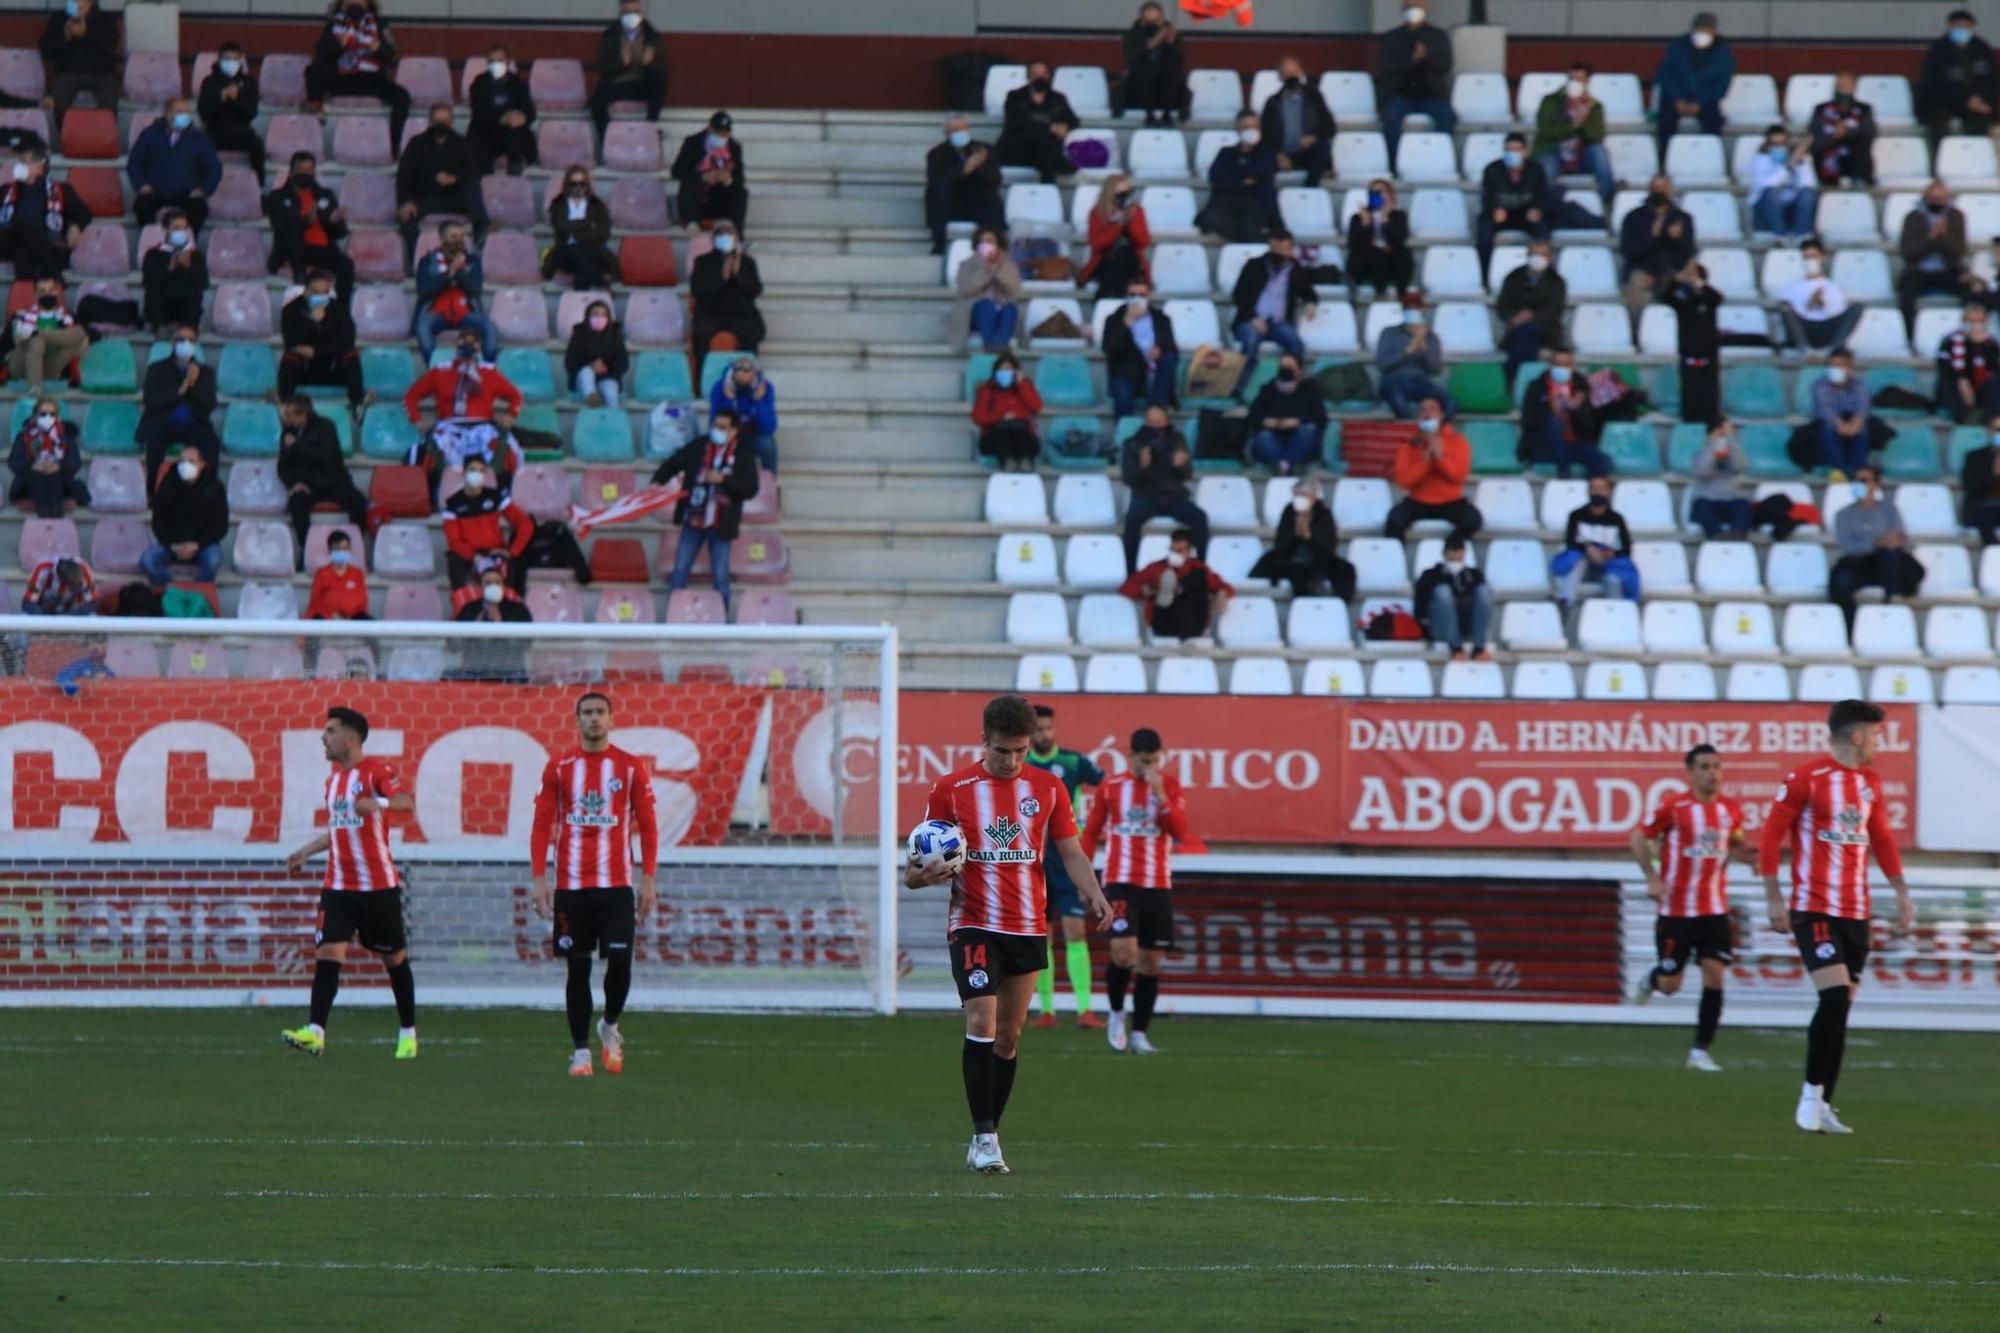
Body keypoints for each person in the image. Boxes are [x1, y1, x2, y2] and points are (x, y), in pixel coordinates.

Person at [907, 694, 1110, 1175]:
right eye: (1003, 751)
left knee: (1009, 1037)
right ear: (984, 741)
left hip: (1026, 925)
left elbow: (1071, 851)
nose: (1012, 760)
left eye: (1020, 751)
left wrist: (1094, 894)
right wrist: (923, 876)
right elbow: (912, 871)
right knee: (982, 1023)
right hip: (974, 922)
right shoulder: (951, 789)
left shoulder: (1050, 788)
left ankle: (988, 1131)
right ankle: (984, 1137)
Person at [1759, 699, 1914, 1135]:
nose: (1879, 743)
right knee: (1831, 998)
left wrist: (1902, 891)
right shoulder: (1808, 778)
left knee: (1840, 1007)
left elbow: (1881, 837)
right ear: (1858, 735)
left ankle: (1823, 1103)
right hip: (1814, 909)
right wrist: (1775, 899)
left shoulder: (1869, 783)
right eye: (1877, 735)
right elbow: (1771, 835)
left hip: (1856, 913)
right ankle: (1810, 1095)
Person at [530, 692, 659, 1078]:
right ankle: (581, 1052)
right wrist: (540, 878)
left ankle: (610, 1023)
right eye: (587, 713)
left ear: (611, 719)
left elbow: (649, 826)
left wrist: (648, 878)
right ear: (577, 720)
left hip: (617, 884)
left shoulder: (630, 767)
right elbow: (541, 826)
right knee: (577, 968)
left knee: (620, 962)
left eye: (600, 712)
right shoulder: (559, 766)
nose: (594, 719)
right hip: (571, 885)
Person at [280, 708, 418, 1060]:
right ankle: (316, 1032)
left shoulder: (376, 771)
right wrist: (304, 852)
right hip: (338, 885)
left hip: (377, 886)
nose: (322, 738)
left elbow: (406, 803)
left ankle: (407, 1032)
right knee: (328, 953)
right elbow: (339, 830)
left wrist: (379, 803)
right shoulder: (332, 783)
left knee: (394, 959)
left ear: (350, 738)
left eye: (330, 731)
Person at [1630, 745, 1754, 1073]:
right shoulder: (1675, 807)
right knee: (1671, 984)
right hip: (1676, 911)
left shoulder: (1730, 809)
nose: (1712, 772)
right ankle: (1653, 980)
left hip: (1714, 910)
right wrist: (1652, 877)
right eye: (1704, 766)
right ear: (1691, 772)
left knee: (1715, 976)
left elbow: (1736, 840)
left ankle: (1700, 1051)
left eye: (1716, 766)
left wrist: (1751, 857)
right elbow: (1640, 838)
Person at [1084, 727, 1187, 1057]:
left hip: (1157, 883)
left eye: (1155, 760)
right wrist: (1085, 879)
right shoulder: (1111, 787)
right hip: (1121, 879)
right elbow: (1091, 833)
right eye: (1144, 761)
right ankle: (1116, 1014)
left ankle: (1140, 1033)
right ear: (1131, 756)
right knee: (1123, 954)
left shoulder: (1168, 786)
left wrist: (1161, 797)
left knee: (1150, 963)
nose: (1149, 767)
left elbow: (1180, 831)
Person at [1025, 706, 1106, 1031]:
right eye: (1038, 730)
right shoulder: (1023, 765)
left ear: (1053, 729)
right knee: (1041, 935)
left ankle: (1084, 1009)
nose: (1043, 735)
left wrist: (1087, 825)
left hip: (1066, 855)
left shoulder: (1073, 762)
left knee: (1075, 929)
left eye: (1047, 728)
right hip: (1033, 859)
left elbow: (1108, 787)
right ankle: (1047, 1010)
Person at [659, 409, 760, 612]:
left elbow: (751, 488)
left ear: (734, 431)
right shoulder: (700, 445)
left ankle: (721, 620)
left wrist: (724, 480)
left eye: (723, 428)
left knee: (721, 575)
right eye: (715, 426)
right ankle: (672, 616)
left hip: (721, 523)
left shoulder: (743, 454)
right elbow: (675, 461)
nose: (717, 431)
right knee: (680, 570)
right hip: (693, 519)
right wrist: (657, 481)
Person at [405, 332, 525, 493]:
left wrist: (511, 416)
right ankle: (434, 491)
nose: (468, 346)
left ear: (479, 347)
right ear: (456, 345)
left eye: (473, 342)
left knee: (511, 447)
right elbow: (411, 396)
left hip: (483, 425)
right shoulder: (440, 371)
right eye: (463, 341)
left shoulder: (489, 372)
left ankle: (504, 492)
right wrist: (418, 420)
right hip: (449, 425)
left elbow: (516, 396)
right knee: (422, 450)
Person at [1828, 465, 1923, 628]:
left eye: (1864, 480)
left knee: (1890, 554)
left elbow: (1899, 538)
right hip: (1858, 564)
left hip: (1887, 561)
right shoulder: (1842, 514)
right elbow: (1847, 547)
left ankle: (1892, 603)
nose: (1859, 484)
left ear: (1876, 484)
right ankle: (1852, 628)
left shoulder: (1889, 510)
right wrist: (1876, 542)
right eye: (1856, 480)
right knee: (1841, 583)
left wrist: (1889, 542)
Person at [306, 0, 411, 148]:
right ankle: (316, 111)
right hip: (342, 78)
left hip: (371, 79)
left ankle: (393, 145)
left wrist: (378, 47)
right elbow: (321, 52)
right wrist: (339, 44)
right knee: (313, 71)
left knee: (402, 97)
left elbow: (390, 53)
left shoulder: (380, 24)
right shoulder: (333, 24)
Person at [396, 104, 488, 266]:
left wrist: (454, 178)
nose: (442, 124)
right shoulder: (416, 144)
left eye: (446, 121)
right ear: (430, 122)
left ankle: (481, 230)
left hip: (455, 199)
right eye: (438, 121)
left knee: (473, 187)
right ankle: (417, 262)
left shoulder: (462, 144)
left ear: (451, 122)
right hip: (426, 199)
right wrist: (405, 202)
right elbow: (403, 176)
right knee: (407, 215)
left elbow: (474, 172)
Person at [1120, 406, 1206, 573]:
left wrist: (1179, 466)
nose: (1156, 427)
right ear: (1145, 422)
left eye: (1159, 422)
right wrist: (1143, 467)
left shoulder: (1177, 440)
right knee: (1131, 521)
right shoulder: (1133, 444)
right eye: (1152, 422)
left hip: (1174, 497)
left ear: (1166, 421)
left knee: (1200, 518)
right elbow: (1129, 479)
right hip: (1145, 497)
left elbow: (1187, 475)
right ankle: (1131, 571)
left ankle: (1199, 567)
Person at [279, 394, 367, 557]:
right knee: (296, 502)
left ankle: (355, 547)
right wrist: (293, 483)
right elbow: (283, 466)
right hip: (308, 485)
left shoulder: (325, 427)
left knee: (359, 502)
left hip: (334, 482)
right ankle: (307, 550)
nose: (285, 418)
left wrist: (297, 445)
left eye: (289, 415)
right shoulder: (287, 433)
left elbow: (327, 457)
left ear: (302, 415)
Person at [1229, 228, 1313, 398]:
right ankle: (1238, 389)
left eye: (1286, 248)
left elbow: (1307, 290)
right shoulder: (1254, 266)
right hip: (1251, 320)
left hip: (1278, 322)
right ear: (1271, 247)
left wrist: (1312, 302)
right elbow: (1239, 294)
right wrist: (1252, 317)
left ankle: (1291, 385)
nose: (1283, 252)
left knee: (1296, 345)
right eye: (1279, 248)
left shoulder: (1295, 269)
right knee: (1250, 343)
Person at [264, 152, 354, 306]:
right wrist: (306, 221)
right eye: (301, 169)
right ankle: (299, 276)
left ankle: (342, 310)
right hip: (293, 249)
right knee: (292, 228)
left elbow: (340, 234)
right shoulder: (277, 197)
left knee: (346, 266)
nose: (306, 174)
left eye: (310, 170)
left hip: (322, 248)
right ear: (291, 172)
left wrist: (335, 221)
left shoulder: (325, 195)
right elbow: (280, 227)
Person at [1384, 397, 1479, 541]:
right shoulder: (1408, 446)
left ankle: (1450, 550)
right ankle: (1398, 560)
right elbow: (1404, 481)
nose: (1427, 413)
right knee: (1394, 521)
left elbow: (1459, 475)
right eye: (1423, 410)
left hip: (1451, 501)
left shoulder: (1458, 441)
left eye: (1432, 409)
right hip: (1418, 501)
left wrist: (1440, 459)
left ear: (1441, 415)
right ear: (1417, 417)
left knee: (1473, 520)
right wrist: (1426, 461)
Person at [138, 327, 220, 491]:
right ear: (172, 343)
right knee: (154, 438)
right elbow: (151, 401)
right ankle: (153, 492)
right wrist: (181, 389)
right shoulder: (157, 369)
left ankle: (209, 489)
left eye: (190, 340)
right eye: (181, 340)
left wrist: (193, 385)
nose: (185, 344)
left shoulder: (205, 372)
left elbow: (209, 405)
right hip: (163, 423)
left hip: (194, 425)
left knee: (211, 441)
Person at [127, 98, 223, 235]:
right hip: (155, 191)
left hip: (187, 194)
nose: (184, 115)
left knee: (199, 208)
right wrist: (141, 185)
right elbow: (135, 162)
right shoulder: (150, 134)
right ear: (168, 114)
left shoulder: (198, 138)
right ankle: (152, 243)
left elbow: (214, 167)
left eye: (187, 112)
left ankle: (189, 245)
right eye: (180, 111)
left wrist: (204, 189)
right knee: (142, 206)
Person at [1120, 527, 1230, 642]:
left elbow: (1225, 587)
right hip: (1164, 619)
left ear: (1190, 551)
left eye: (1179, 551)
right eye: (1172, 550)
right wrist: (1143, 590)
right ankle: (1169, 591)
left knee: (1198, 580)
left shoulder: (1199, 569)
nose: (1175, 554)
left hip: (1193, 620)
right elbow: (1126, 588)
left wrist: (1221, 593)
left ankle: (1177, 589)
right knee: (1181, 588)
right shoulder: (1156, 568)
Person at [1376, 2, 1455, 162]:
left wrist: (1426, 58)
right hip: (1400, 94)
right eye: (1409, 7)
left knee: (1447, 116)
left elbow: (1445, 65)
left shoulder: (1437, 36)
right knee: (1391, 117)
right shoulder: (1392, 37)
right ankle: (1393, 162)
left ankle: (1441, 159)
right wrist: (1411, 60)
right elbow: (1385, 66)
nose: (1413, 11)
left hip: (1431, 94)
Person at [140, 444, 228, 588]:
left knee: (214, 560)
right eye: (181, 461)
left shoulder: (215, 488)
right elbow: (158, 522)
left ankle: (198, 592)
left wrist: (197, 544)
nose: (185, 465)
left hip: (203, 546)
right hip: (172, 545)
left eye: (191, 462)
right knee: (148, 560)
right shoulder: (168, 484)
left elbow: (220, 526)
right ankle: (170, 590)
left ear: (202, 464)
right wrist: (172, 544)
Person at [1251, 476, 1352, 599]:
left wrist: (1308, 535)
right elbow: (1280, 542)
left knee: (1346, 569)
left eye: (1303, 495)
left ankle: (1341, 601)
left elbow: (1330, 544)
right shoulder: (1289, 511)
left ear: (1314, 496)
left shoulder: (1324, 513)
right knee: (1283, 566)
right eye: (1297, 495)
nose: (1300, 498)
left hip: (1318, 556)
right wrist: (1296, 535)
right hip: (1291, 556)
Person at [0, 147, 92, 281]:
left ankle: (26, 297)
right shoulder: (6, 190)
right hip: (7, 241)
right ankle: (55, 275)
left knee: (22, 253)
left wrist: (75, 226)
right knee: (21, 226)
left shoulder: (62, 190)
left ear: (40, 165)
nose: (19, 166)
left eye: (24, 162)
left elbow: (84, 213)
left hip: (49, 244)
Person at [1518, 347, 1610, 479]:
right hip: (1543, 446)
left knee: (1604, 462)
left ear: (1572, 366)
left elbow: (1590, 427)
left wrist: (1577, 409)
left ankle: (1581, 492)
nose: (1562, 369)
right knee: (1552, 422)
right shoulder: (1536, 387)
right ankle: (1564, 471)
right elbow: (1527, 422)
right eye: (1558, 365)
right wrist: (1550, 407)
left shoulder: (1582, 388)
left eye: (1566, 365)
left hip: (1572, 444)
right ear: (1550, 365)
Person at [412, 220, 495, 362]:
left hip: (465, 314)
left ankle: (487, 368)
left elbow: (475, 290)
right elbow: (424, 291)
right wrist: (448, 274)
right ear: (442, 238)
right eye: (453, 237)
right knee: (423, 326)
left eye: (462, 237)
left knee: (489, 327)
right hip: (436, 314)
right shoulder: (427, 261)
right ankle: (434, 368)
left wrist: (459, 271)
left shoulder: (472, 261)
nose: (459, 241)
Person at [1531, 61, 1613, 205]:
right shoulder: (1550, 102)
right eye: (1571, 79)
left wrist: (1584, 122)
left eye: (1579, 80)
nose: (1574, 83)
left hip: (1581, 158)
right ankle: (1548, 209)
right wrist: (1574, 125)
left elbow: (1596, 137)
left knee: (1600, 153)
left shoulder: (1595, 107)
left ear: (1587, 82)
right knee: (1547, 166)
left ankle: (1604, 204)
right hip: (1554, 153)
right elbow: (1546, 131)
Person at [279, 272, 365, 409]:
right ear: (306, 291)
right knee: (289, 359)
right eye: (316, 292)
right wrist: (312, 322)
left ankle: (357, 405)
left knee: (351, 355)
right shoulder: (291, 310)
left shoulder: (339, 309)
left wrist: (317, 352)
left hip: (332, 365)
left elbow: (348, 341)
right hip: (304, 368)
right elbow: (291, 342)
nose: (321, 297)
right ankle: (286, 406)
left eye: (325, 292)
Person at [441, 458, 531, 589]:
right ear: (464, 472)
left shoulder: (495, 497)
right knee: (454, 563)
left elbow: (525, 523)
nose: (476, 474)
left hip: (494, 550)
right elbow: (454, 541)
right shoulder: (453, 504)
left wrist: (512, 551)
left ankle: (510, 605)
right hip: (468, 554)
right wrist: (474, 557)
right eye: (472, 470)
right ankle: (462, 607)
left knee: (513, 564)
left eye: (481, 471)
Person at [1551, 475, 1638, 611]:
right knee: (1575, 561)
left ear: (1609, 492)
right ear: (1588, 491)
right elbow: (1570, 543)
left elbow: (1626, 549)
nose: (1598, 492)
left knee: (1613, 580)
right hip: (1585, 565)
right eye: (1594, 489)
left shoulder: (1617, 519)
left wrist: (1607, 553)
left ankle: (1618, 616)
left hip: (1608, 564)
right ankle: (1564, 605)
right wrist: (1588, 549)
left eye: (1602, 489)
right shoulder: (1576, 515)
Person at [925, 115, 1004, 256]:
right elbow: (937, 180)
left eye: (963, 129)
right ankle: (939, 244)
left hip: (977, 201)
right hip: (951, 204)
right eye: (955, 130)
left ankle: (993, 248)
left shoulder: (984, 150)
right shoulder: (936, 154)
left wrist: (978, 167)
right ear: (947, 134)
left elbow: (995, 179)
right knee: (940, 192)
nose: (960, 133)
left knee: (990, 199)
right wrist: (967, 168)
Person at [1620, 174, 1697, 319]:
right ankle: (1638, 334)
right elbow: (1629, 252)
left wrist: (1678, 239)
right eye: (1656, 188)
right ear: (1649, 191)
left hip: (1673, 272)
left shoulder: (1683, 218)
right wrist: (1653, 236)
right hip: (1643, 271)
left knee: (1690, 285)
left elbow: (1689, 251)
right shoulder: (1634, 218)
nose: (1660, 192)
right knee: (1636, 286)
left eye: (1664, 188)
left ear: (1671, 191)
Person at [1898, 180, 1970, 335]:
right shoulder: (1913, 218)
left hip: (1949, 270)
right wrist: (1930, 237)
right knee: (1906, 297)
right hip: (1918, 271)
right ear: (1925, 198)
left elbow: (1959, 251)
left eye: (1941, 199)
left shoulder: (1955, 216)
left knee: (1971, 293)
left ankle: (1966, 334)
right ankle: (1909, 335)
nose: (1937, 202)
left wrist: (1943, 236)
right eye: (1933, 199)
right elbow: (1908, 253)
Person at [688, 221, 764, 368]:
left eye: (729, 232)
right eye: (720, 233)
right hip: (710, 314)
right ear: (712, 238)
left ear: (736, 237)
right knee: (701, 333)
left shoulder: (747, 262)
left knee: (749, 332)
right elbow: (696, 291)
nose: (725, 236)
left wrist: (738, 274)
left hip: (741, 315)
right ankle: (703, 379)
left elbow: (756, 290)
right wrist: (721, 276)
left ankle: (747, 378)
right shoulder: (702, 262)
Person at [1654, 11, 1733, 152]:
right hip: (1676, 99)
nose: (1702, 34)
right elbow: (1665, 75)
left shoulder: (1722, 50)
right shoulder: (1678, 46)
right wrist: (1677, 99)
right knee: (1665, 123)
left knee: (1714, 123)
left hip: (1705, 100)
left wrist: (1700, 102)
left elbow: (1721, 84)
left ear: (1714, 31)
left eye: (1706, 30)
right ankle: (1665, 160)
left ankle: (1711, 157)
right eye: (1699, 29)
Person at [1917, 10, 1996, 149]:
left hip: (1975, 103)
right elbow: (1934, 84)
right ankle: (1940, 164)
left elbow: (1991, 79)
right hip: (1942, 104)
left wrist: (1980, 98)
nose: (1962, 30)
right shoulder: (1938, 49)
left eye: (1966, 27)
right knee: (1939, 127)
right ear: (1950, 26)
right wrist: (1966, 100)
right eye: (1958, 26)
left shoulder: (1982, 48)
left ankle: (1977, 162)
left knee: (1980, 124)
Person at [590, 0, 667, 142]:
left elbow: (662, 67)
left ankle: (649, 129)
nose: (631, 16)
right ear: (620, 13)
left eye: (635, 12)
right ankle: (608, 140)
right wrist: (621, 64)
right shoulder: (611, 35)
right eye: (627, 12)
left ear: (642, 13)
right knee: (596, 101)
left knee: (660, 79)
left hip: (642, 84)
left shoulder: (652, 36)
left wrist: (649, 64)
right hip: (618, 84)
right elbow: (601, 66)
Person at [1197, 110, 1279, 242]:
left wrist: (1234, 178)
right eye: (1246, 127)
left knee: (1248, 224)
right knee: (1211, 219)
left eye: (1254, 127)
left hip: (1255, 206)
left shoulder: (1267, 154)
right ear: (1238, 129)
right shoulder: (1226, 153)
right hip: (1226, 205)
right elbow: (1216, 178)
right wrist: (1245, 182)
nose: (1251, 131)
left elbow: (1262, 175)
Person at [38, 0, 119, 132]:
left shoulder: (105, 19)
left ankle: (104, 137)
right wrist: (66, 35)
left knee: (109, 101)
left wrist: (86, 34)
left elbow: (111, 46)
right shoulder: (59, 18)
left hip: (101, 72)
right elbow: (46, 49)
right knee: (60, 99)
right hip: (68, 72)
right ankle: (67, 138)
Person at [1102, 278, 1177, 419]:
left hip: (1154, 374)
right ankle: (1123, 434)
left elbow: (1172, 349)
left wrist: (1159, 350)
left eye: (1141, 295)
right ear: (1126, 296)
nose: (1137, 299)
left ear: (1149, 296)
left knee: (1168, 358)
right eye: (1132, 295)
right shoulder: (1113, 320)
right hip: (1127, 374)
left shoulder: (1162, 319)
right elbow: (1109, 349)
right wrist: (1127, 323)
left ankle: (1155, 411)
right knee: (1122, 390)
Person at [1476, 132, 1548, 277]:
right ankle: (1484, 274)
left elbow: (1542, 194)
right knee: (1484, 231)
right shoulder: (1492, 170)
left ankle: (1542, 273)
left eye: (1516, 150)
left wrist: (1537, 208)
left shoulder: (1536, 170)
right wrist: (1494, 209)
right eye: (1508, 150)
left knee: (1542, 230)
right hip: (1501, 214)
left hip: (1525, 214)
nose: (1512, 153)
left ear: (1525, 152)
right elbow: (1486, 195)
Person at [1496, 239, 1566, 388]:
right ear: (1528, 255)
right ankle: (1525, 383)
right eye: (1534, 254)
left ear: (1550, 257)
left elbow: (1555, 311)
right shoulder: (1513, 278)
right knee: (1525, 335)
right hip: (1516, 329)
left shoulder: (1557, 282)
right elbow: (1502, 306)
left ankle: (1511, 378)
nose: (1538, 258)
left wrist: (1531, 317)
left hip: (1547, 331)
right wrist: (1514, 318)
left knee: (1526, 332)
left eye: (1542, 255)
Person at [1413, 535, 1492, 659]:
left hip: (1467, 625)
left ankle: (1479, 646)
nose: (1455, 555)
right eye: (1452, 551)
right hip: (1440, 626)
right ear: (1445, 553)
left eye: (1459, 551)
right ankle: (1455, 647)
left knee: (1483, 590)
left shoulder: (1474, 575)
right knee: (1442, 592)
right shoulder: (1431, 575)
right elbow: (1420, 607)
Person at [999, 60, 1077, 186]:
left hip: (1042, 152)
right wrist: (1049, 128)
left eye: (1044, 74)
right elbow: (1016, 123)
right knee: (1044, 144)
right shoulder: (1015, 97)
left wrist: (1065, 126)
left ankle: (1048, 189)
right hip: (1018, 149)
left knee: (1046, 155)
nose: (1040, 78)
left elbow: (1073, 120)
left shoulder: (1058, 99)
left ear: (1049, 76)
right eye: (1035, 74)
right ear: (1028, 77)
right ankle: (1060, 163)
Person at [1260, 56, 1335, 187]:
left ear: (1301, 73)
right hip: (1282, 154)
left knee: (1321, 149)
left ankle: (1309, 189)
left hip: (1307, 153)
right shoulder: (1272, 102)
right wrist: (1278, 155)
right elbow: (1265, 135)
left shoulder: (1314, 97)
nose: (1292, 77)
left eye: (1294, 72)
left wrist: (1313, 137)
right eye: (1287, 73)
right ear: (1280, 77)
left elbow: (1329, 127)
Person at [1246, 352, 1325, 474]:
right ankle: (1286, 464)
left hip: (1299, 437)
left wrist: (1298, 422)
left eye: (1289, 367)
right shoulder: (1267, 389)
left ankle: (1284, 464)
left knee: (1309, 431)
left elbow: (1321, 419)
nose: (1285, 370)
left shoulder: (1310, 389)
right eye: (1282, 367)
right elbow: (1251, 418)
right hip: (1273, 437)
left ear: (1299, 370)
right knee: (1263, 438)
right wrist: (1265, 422)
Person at [450, 564, 533, 680]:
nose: (493, 586)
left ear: (503, 585)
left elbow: (525, 645)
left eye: (497, 582)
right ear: (481, 587)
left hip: (508, 670)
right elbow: (453, 646)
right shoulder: (469, 609)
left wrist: (501, 626)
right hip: (475, 670)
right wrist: (474, 628)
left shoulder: (518, 609)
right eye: (488, 583)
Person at [7, 396, 86, 518]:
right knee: (39, 474)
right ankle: (44, 509)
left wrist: (58, 466)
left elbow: (75, 463)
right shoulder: (24, 436)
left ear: (57, 417)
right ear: (35, 415)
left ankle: (55, 510)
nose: (47, 418)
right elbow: (14, 462)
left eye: (52, 414)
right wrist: (34, 465)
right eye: (43, 414)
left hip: (60, 482)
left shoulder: (67, 436)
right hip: (31, 482)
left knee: (53, 474)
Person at [197, 42, 266, 181]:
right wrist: (221, 99)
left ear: (240, 60)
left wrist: (236, 100)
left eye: (234, 59)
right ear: (219, 60)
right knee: (201, 146)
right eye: (227, 59)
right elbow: (204, 113)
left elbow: (251, 113)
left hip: (242, 131)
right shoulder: (209, 82)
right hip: (216, 131)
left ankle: (259, 185)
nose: (231, 63)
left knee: (258, 146)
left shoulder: (249, 82)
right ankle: (203, 184)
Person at [1779, 238, 1861, 353]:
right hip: (1805, 330)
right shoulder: (1792, 288)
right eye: (1806, 257)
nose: (1810, 261)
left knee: (1857, 307)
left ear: (1822, 257)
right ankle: (1803, 348)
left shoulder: (1833, 287)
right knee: (1785, 306)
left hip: (1826, 329)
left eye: (1814, 256)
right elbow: (1791, 318)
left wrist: (1822, 303)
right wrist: (1810, 304)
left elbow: (1835, 314)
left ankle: (1835, 348)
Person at [1813, 350, 1888, 476]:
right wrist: (1841, 425)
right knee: (1828, 429)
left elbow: (1863, 408)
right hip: (1832, 423)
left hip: (1854, 423)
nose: (1835, 369)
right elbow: (1825, 409)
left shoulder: (1860, 385)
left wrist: (1855, 424)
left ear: (1850, 367)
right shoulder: (1820, 386)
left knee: (1863, 428)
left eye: (1840, 365)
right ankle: (1840, 471)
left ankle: (1857, 470)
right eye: (1832, 365)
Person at [466, 46, 536, 178]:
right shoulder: (479, 83)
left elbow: (529, 110)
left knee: (516, 132)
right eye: (492, 61)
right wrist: (501, 117)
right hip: (487, 131)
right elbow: (479, 111)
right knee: (477, 144)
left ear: (508, 62)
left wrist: (522, 117)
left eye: (499, 60)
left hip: (511, 133)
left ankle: (515, 167)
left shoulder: (518, 83)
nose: (496, 64)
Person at [1375, 296, 1449, 419]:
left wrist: (1424, 349)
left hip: (1420, 382)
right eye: (1408, 308)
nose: (1412, 312)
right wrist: (1406, 352)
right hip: (1393, 381)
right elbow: (1382, 365)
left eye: (1416, 308)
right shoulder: (1388, 332)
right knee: (1398, 401)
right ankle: (1411, 431)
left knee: (1449, 402)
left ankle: (1436, 432)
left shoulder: (1431, 337)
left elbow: (1436, 369)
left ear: (1422, 311)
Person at [671, 111, 747, 232]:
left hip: (719, 197)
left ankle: (737, 233)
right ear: (710, 129)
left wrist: (728, 180)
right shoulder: (693, 142)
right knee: (688, 183)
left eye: (725, 133)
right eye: (718, 133)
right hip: (699, 197)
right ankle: (692, 222)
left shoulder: (734, 147)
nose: (721, 137)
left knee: (740, 192)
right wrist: (703, 177)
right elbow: (677, 171)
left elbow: (740, 179)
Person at [543, 166, 615, 293]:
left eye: (582, 183)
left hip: (593, 251)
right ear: (567, 185)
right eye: (574, 184)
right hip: (564, 252)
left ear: (587, 185)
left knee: (582, 273)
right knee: (577, 249)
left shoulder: (596, 204)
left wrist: (576, 234)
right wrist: (588, 225)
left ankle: (580, 297)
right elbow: (562, 227)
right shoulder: (558, 204)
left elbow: (603, 233)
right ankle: (600, 281)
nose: (578, 187)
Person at [952, 225, 1022, 352]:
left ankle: (997, 348)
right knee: (986, 305)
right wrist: (985, 269)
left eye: (990, 241)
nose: (985, 245)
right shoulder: (967, 265)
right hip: (975, 312)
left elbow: (1013, 290)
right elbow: (965, 289)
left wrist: (997, 271)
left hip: (1001, 309)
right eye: (982, 241)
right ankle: (994, 349)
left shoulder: (1009, 265)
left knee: (1010, 309)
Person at [1078, 175, 1150, 299]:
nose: (1124, 197)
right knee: (1116, 263)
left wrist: (1130, 221)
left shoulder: (1137, 211)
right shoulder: (1097, 212)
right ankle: (1115, 296)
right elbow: (1097, 244)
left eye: (1127, 193)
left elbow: (1143, 242)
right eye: (1120, 194)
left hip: (1131, 262)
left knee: (1124, 253)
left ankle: (1104, 295)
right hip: (1104, 262)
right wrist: (1117, 225)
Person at [6, 276, 85, 388]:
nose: (47, 294)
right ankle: (34, 387)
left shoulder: (66, 317)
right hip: (23, 368)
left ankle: (39, 333)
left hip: (50, 367)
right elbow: (8, 344)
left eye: (51, 290)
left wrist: (36, 332)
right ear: (36, 295)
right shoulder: (22, 317)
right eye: (42, 291)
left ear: (57, 292)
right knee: (36, 341)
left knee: (80, 332)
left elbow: (88, 335)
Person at [139, 209, 209, 334]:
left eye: (184, 228)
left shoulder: (195, 254)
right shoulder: (153, 254)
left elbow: (204, 283)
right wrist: (169, 268)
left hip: (185, 308)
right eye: (176, 228)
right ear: (165, 230)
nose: (181, 232)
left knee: (193, 290)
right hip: (161, 307)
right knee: (155, 287)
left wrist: (188, 266)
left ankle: (189, 329)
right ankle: (160, 327)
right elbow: (147, 282)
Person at [972, 352, 1043, 471]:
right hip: (995, 436)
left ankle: (1024, 460)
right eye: (1002, 369)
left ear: (1016, 372)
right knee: (1002, 431)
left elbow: (1036, 407)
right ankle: (1007, 461)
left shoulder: (1024, 387)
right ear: (995, 372)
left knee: (1020, 429)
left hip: (1022, 436)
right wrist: (1001, 417)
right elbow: (978, 417)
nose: (1005, 373)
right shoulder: (987, 390)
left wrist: (1022, 384)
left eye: (1009, 369)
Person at [1748, 124, 1818, 245]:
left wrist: (1799, 161)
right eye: (1775, 144)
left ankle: (1801, 234)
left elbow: (1809, 183)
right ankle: (1779, 235)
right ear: (1768, 144)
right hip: (1766, 208)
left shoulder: (1802, 158)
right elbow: (1766, 184)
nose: (1780, 147)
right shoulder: (1760, 158)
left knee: (1807, 193)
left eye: (1782, 143)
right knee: (1772, 191)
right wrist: (1788, 165)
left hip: (1792, 208)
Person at [708, 356, 778, 474]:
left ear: (754, 373)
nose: (741, 373)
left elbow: (769, 428)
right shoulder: (720, 388)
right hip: (729, 433)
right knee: (715, 438)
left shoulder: (765, 388)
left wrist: (759, 401)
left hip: (754, 433)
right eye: (738, 369)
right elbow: (714, 423)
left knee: (768, 444)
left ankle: (771, 481)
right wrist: (729, 401)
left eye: (746, 370)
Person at [1121, 2, 1186, 127]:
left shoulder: (1171, 32)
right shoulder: (1133, 34)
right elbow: (1131, 57)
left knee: (1172, 75)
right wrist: (1153, 43)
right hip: (1140, 82)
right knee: (1142, 74)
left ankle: (1167, 114)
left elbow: (1180, 58)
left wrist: (1170, 43)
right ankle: (1149, 115)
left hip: (1165, 80)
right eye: (1148, 12)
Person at [1933, 304, 2000, 423]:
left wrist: (1980, 346)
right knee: (1947, 381)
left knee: (1995, 379)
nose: (1975, 325)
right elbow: (1943, 365)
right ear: (1963, 321)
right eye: (1971, 321)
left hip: (1980, 387)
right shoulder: (1950, 340)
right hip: (1958, 386)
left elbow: (1993, 366)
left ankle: (1992, 416)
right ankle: (1962, 417)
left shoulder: (1991, 343)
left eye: (1979, 321)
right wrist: (1962, 380)